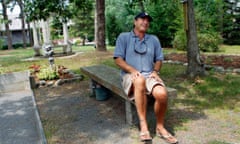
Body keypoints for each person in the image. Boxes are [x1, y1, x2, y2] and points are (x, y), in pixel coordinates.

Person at [113, 12, 178, 144]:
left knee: (162, 94)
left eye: (148, 20)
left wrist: (155, 71)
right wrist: (132, 70)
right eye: (142, 19)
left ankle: (160, 127)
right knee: (139, 80)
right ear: (135, 21)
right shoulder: (124, 37)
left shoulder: (153, 39)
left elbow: (159, 59)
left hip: (149, 74)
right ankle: (143, 125)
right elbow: (118, 59)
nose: (145, 22)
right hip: (130, 75)